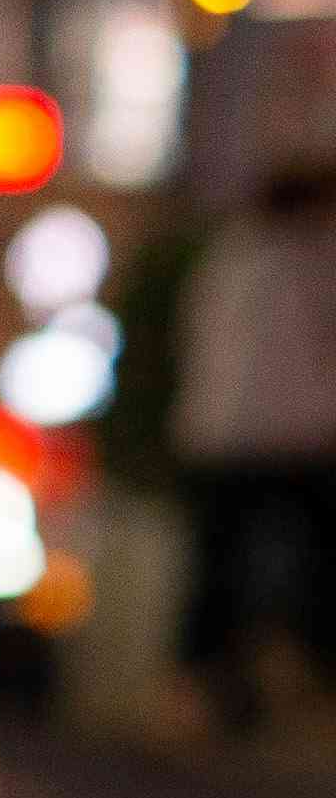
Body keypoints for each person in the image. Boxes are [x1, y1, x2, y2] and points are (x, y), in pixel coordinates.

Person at [171, 158, 336, 734]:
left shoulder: (227, 258)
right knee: (307, 568)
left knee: (219, 568)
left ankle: (210, 683)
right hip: (299, 437)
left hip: (221, 434)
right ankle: (281, 678)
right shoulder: (310, 260)